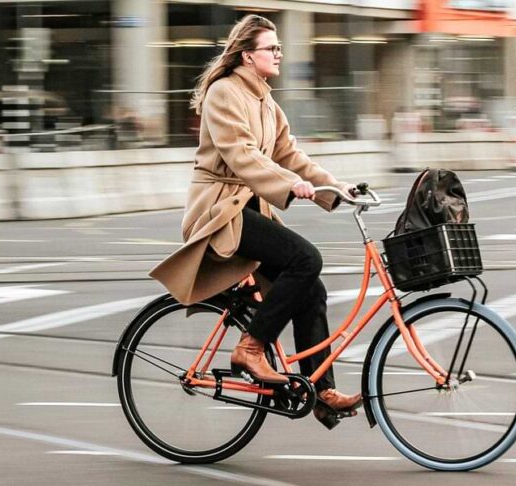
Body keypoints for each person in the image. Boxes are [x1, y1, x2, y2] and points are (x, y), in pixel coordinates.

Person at [149, 15, 362, 426]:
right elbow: (242, 156)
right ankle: (251, 348)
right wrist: (289, 184)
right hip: (220, 209)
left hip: (247, 208)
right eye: (272, 48)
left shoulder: (265, 100)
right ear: (248, 55)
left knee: (311, 289)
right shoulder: (224, 93)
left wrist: (337, 188)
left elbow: (290, 155)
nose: (279, 53)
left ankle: (320, 389)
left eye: (280, 47)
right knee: (306, 258)